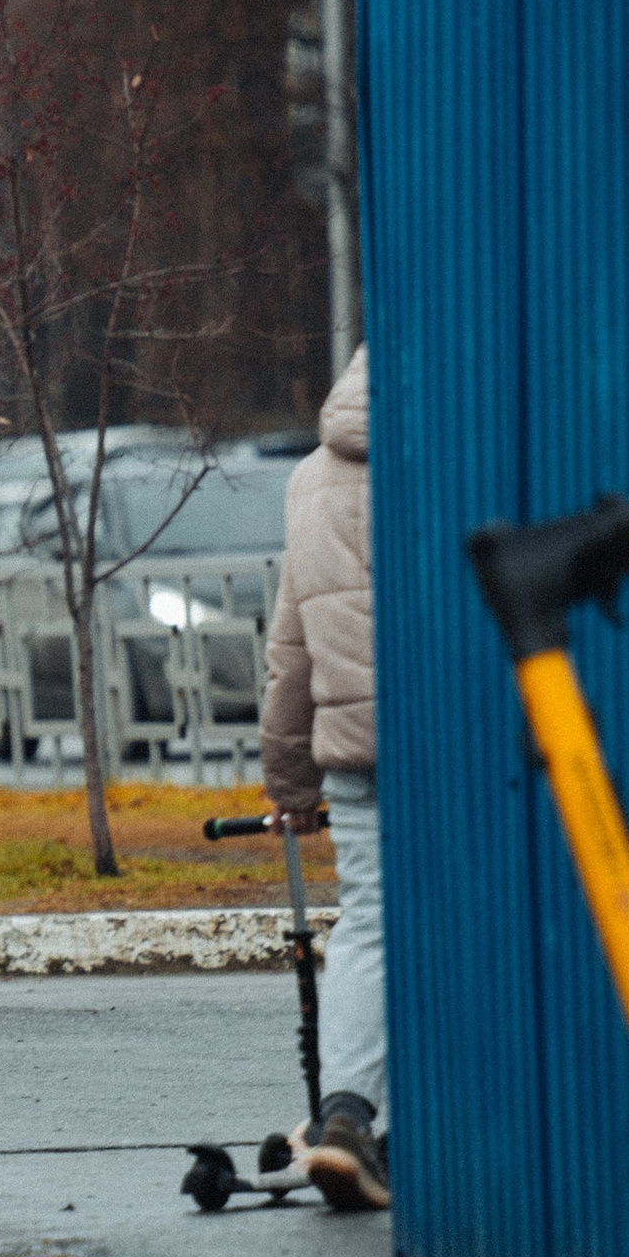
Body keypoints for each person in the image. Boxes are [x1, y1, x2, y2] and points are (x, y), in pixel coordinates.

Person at [261, 344, 385, 1211]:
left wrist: (290, 781)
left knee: (371, 925)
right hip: (457, 746)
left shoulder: (310, 479)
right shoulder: (454, 450)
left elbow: (290, 645)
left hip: (350, 746)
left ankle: (346, 1116)